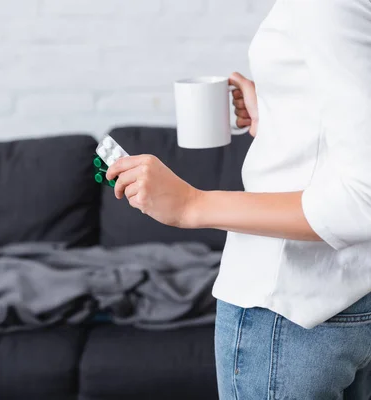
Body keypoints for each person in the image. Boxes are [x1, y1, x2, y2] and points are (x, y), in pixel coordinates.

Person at [106, 0, 371, 398]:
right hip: (345, 293)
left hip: (287, 305)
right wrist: (284, 110)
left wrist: (190, 205)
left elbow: (362, 201)